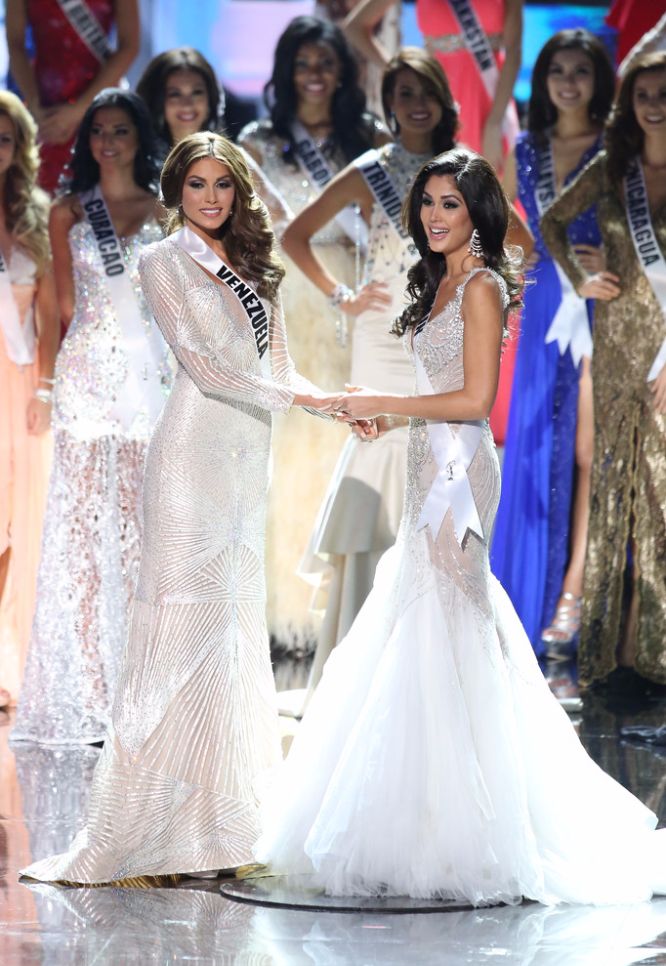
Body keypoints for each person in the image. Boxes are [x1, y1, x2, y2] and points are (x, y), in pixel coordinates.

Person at [254, 148, 666, 905]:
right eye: (428, 203)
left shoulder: (480, 286)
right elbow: (439, 389)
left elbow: (475, 401)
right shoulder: (438, 280)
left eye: (451, 204)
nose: (435, 216)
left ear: (479, 214)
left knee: (447, 614)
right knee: (425, 613)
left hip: (459, 470)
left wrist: (383, 402)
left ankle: (467, 817)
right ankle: (421, 806)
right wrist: (388, 418)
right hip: (426, 455)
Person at [19, 132, 340, 884]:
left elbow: (281, 366)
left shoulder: (256, 264)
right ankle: (150, 829)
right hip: (192, 456)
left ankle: (223, 826)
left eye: (223, 184)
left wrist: (336, 402)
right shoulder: (162, 261)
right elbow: (206, 369)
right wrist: (311, 403)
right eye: (197, 184)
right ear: (176, 191)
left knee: (230, 636)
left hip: (245, 460)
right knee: (177, 635)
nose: (211, 198)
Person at [289, 48, 458, 696]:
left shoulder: (461, 171)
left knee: (429, 459)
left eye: (425, 92)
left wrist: (469, 298)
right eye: (403, 93)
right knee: (377, 448)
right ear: (387, 104)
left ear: (443, 100)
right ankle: (361, 647)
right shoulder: (371, 170)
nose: (416, 104)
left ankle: (424, 640)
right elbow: (296, 235)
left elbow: (519, 244)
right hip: (380, 334)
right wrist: (342, 295)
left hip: (433, 336)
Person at [10, 90, 172, 746]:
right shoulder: (69, 212)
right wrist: (49, 383)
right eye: (98, 131)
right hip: (85, 382)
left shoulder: (166, 209)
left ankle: (140, 685)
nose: (108, 141)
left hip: (149, 382)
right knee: (83, 539)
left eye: (120, 130)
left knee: (142, 532)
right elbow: (59, 307)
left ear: (140, 137)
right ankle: (89, 689)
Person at [239, 16, 389, 651]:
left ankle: (344, 615)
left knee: (345, 445)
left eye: (326, 63)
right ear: (285, 73)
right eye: (302, 64)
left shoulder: (371, 139)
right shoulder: (258, 142)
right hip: (288, 302)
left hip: (359, 302)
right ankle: (285, 618)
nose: (315, 75)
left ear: (344, 72)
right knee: (289, 450)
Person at [542, 52, 666, 688]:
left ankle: (654, 653)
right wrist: (579, 279)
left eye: (664, 94)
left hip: (664, 354)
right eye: (643, 94)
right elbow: (553, 220)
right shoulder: (615, 167)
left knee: (660, 497)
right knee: (614, 497)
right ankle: (607, 655)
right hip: (616, 348)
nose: (653, 106)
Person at [490, 30, 615, 657]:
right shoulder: (529, 148)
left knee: (593, 449)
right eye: (557, 70)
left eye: (580, 71)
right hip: (543, 305)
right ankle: (523, 600)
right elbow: (494, 216)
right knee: (536, 442)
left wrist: (609, 258)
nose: (568, 82)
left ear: (599, 81)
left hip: (602, 301)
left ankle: (578, 590)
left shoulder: (616, 147)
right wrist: (522, 255)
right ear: (541, 81)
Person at [0, 92, 58, 709]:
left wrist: (46, 387)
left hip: (20, 389)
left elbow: (48, 314)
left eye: (4, 138)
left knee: (24, 524)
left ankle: (13, 665)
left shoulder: (36, 217)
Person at [344, 0, 522, 172]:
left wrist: (495, 122)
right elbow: (355, 27)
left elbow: (514, 50)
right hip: (437, 100)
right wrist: (400, 72)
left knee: (497, 182)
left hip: (492, 103)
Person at [136, 46, 290, 233]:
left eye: (197, 92)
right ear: (157, 101)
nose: (188, 104)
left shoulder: (232, 158)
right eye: (175, 94)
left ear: (211, 99)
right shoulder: (139, 162)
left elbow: (280, 220)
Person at [5, 0, 140, 193]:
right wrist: (36, 109)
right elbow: (15, 44)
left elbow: (129, 46)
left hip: (100, 108)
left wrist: (80, 109)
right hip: (45, 111)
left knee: (99, 195)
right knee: (42, 195)